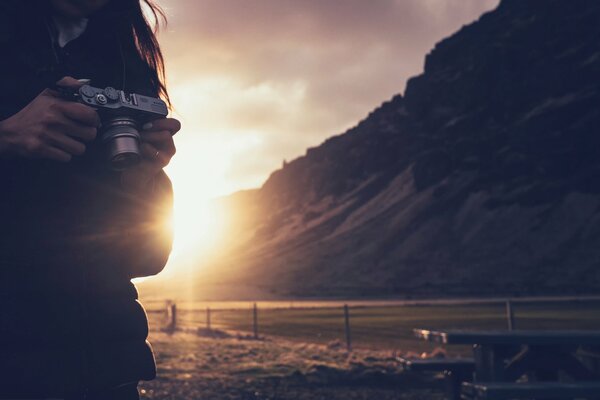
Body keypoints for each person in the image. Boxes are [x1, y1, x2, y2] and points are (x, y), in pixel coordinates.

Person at [0, 0, 179, 398]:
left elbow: (147, 258)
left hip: (103, 366)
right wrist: (7, 137)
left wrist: (140, 183)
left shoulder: (124, 61)